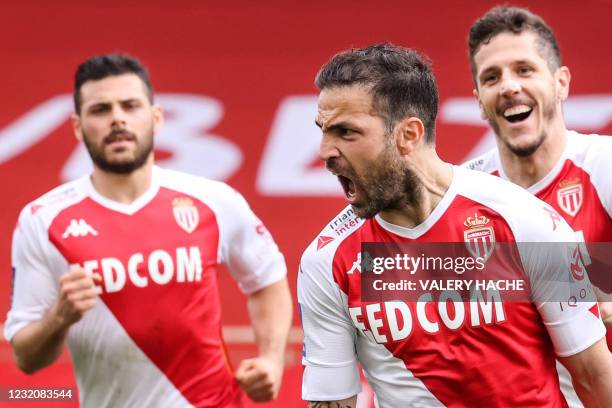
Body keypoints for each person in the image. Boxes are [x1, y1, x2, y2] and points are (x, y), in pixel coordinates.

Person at [298, 43, 612, 407]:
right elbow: (332, 401)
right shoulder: (327, 261)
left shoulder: (528, 221)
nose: (324, 152)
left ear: (408, 135)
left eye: (346, 132)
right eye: (323, 130)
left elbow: (594, 375)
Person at [4, 54, 292, 407]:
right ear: (78, 127)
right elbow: (27, 358)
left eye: (130, 105)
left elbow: (268, 279)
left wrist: (272, 359)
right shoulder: (43, 220)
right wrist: (59, 318)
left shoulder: (213, 200)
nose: (117, 118)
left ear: (155, 118)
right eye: (100, 110)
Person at [464, 6, 612, 406]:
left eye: (524, 70)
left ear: (560, 82)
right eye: (491, 77)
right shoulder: (464, 194)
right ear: (479, 101)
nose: (509, 86)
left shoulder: (603, 165)